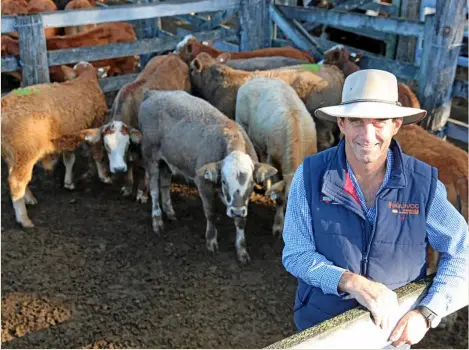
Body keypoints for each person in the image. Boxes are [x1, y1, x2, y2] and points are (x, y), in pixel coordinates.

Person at [282, 69, 468, 347]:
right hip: (323, 331)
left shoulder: (423, 186)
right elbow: (296, 253)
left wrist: (428, 313)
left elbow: (463, 250)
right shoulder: (309, 176)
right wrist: (350, 282)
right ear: (341, 123)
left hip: (390, 337)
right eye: (356, 120)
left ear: (396, 124)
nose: (367, 135)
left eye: (379, 121)